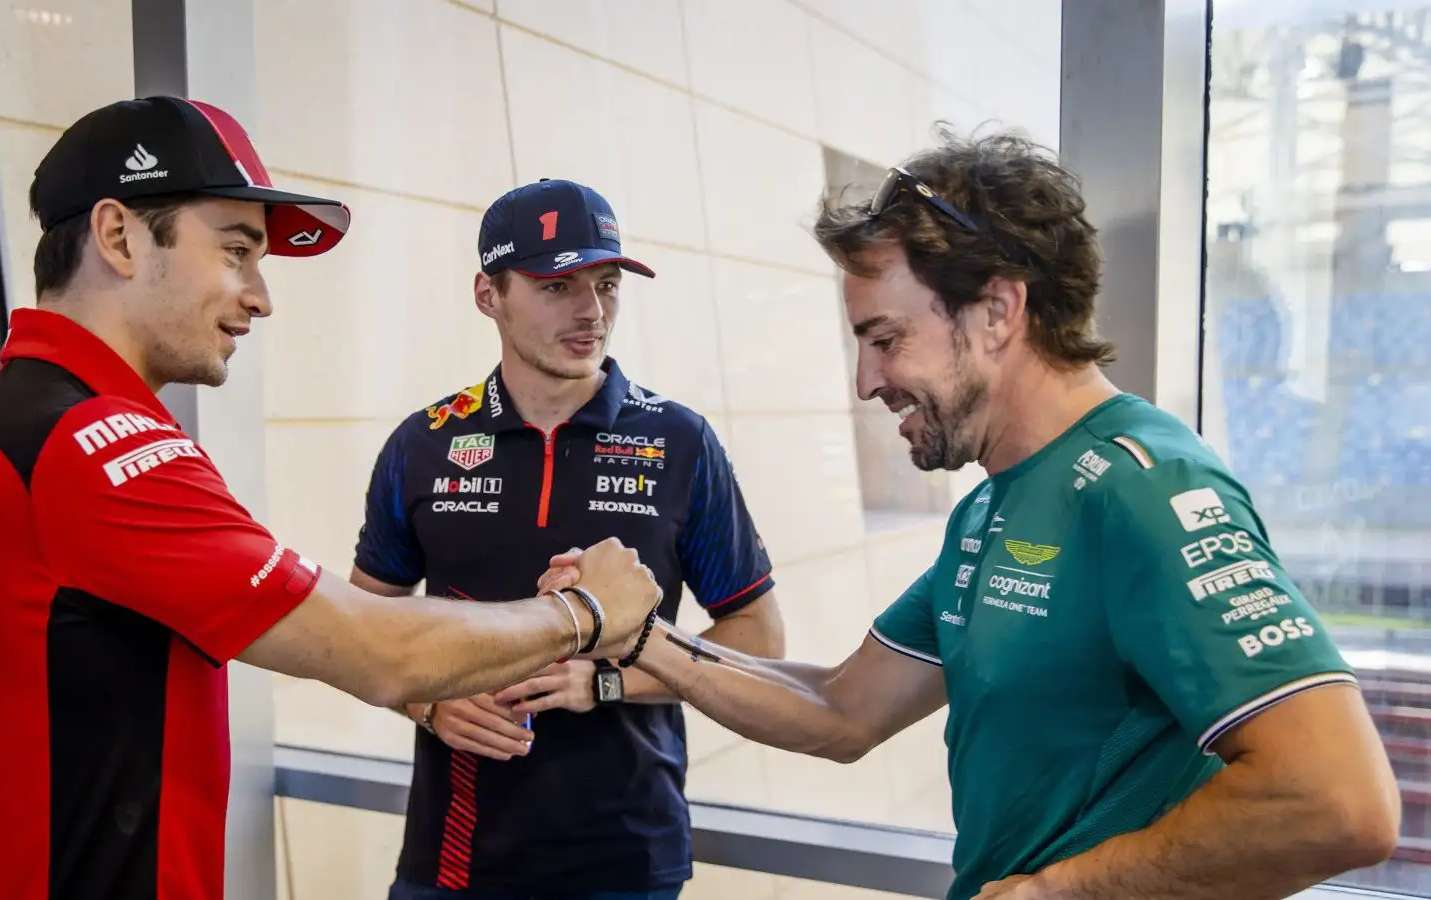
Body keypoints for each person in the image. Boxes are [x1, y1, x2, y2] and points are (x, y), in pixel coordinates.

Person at [541, 132, 1402, 900]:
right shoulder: (995, 505)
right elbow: (844, 709)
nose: (867, 382)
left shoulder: (1143, 486)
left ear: (997, 312)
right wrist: (645, 640)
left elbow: (1337, 801)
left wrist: (1055, 893)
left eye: (885, 340)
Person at [0, 97, 662, 900]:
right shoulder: (99, 449)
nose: (260, 296)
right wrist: (582, 613)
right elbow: (376, 649)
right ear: (119, 236)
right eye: (235, 252)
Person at [351, 177, 786, 900]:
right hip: (452, 864)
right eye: (558, 286)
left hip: (626, 862)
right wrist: (427, 701)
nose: (593, 312)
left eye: (608, 283)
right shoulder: (424, 443)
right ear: (488, 294)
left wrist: (607, 682)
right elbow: (362, 626)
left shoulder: (679, 440)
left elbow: (759, 641)